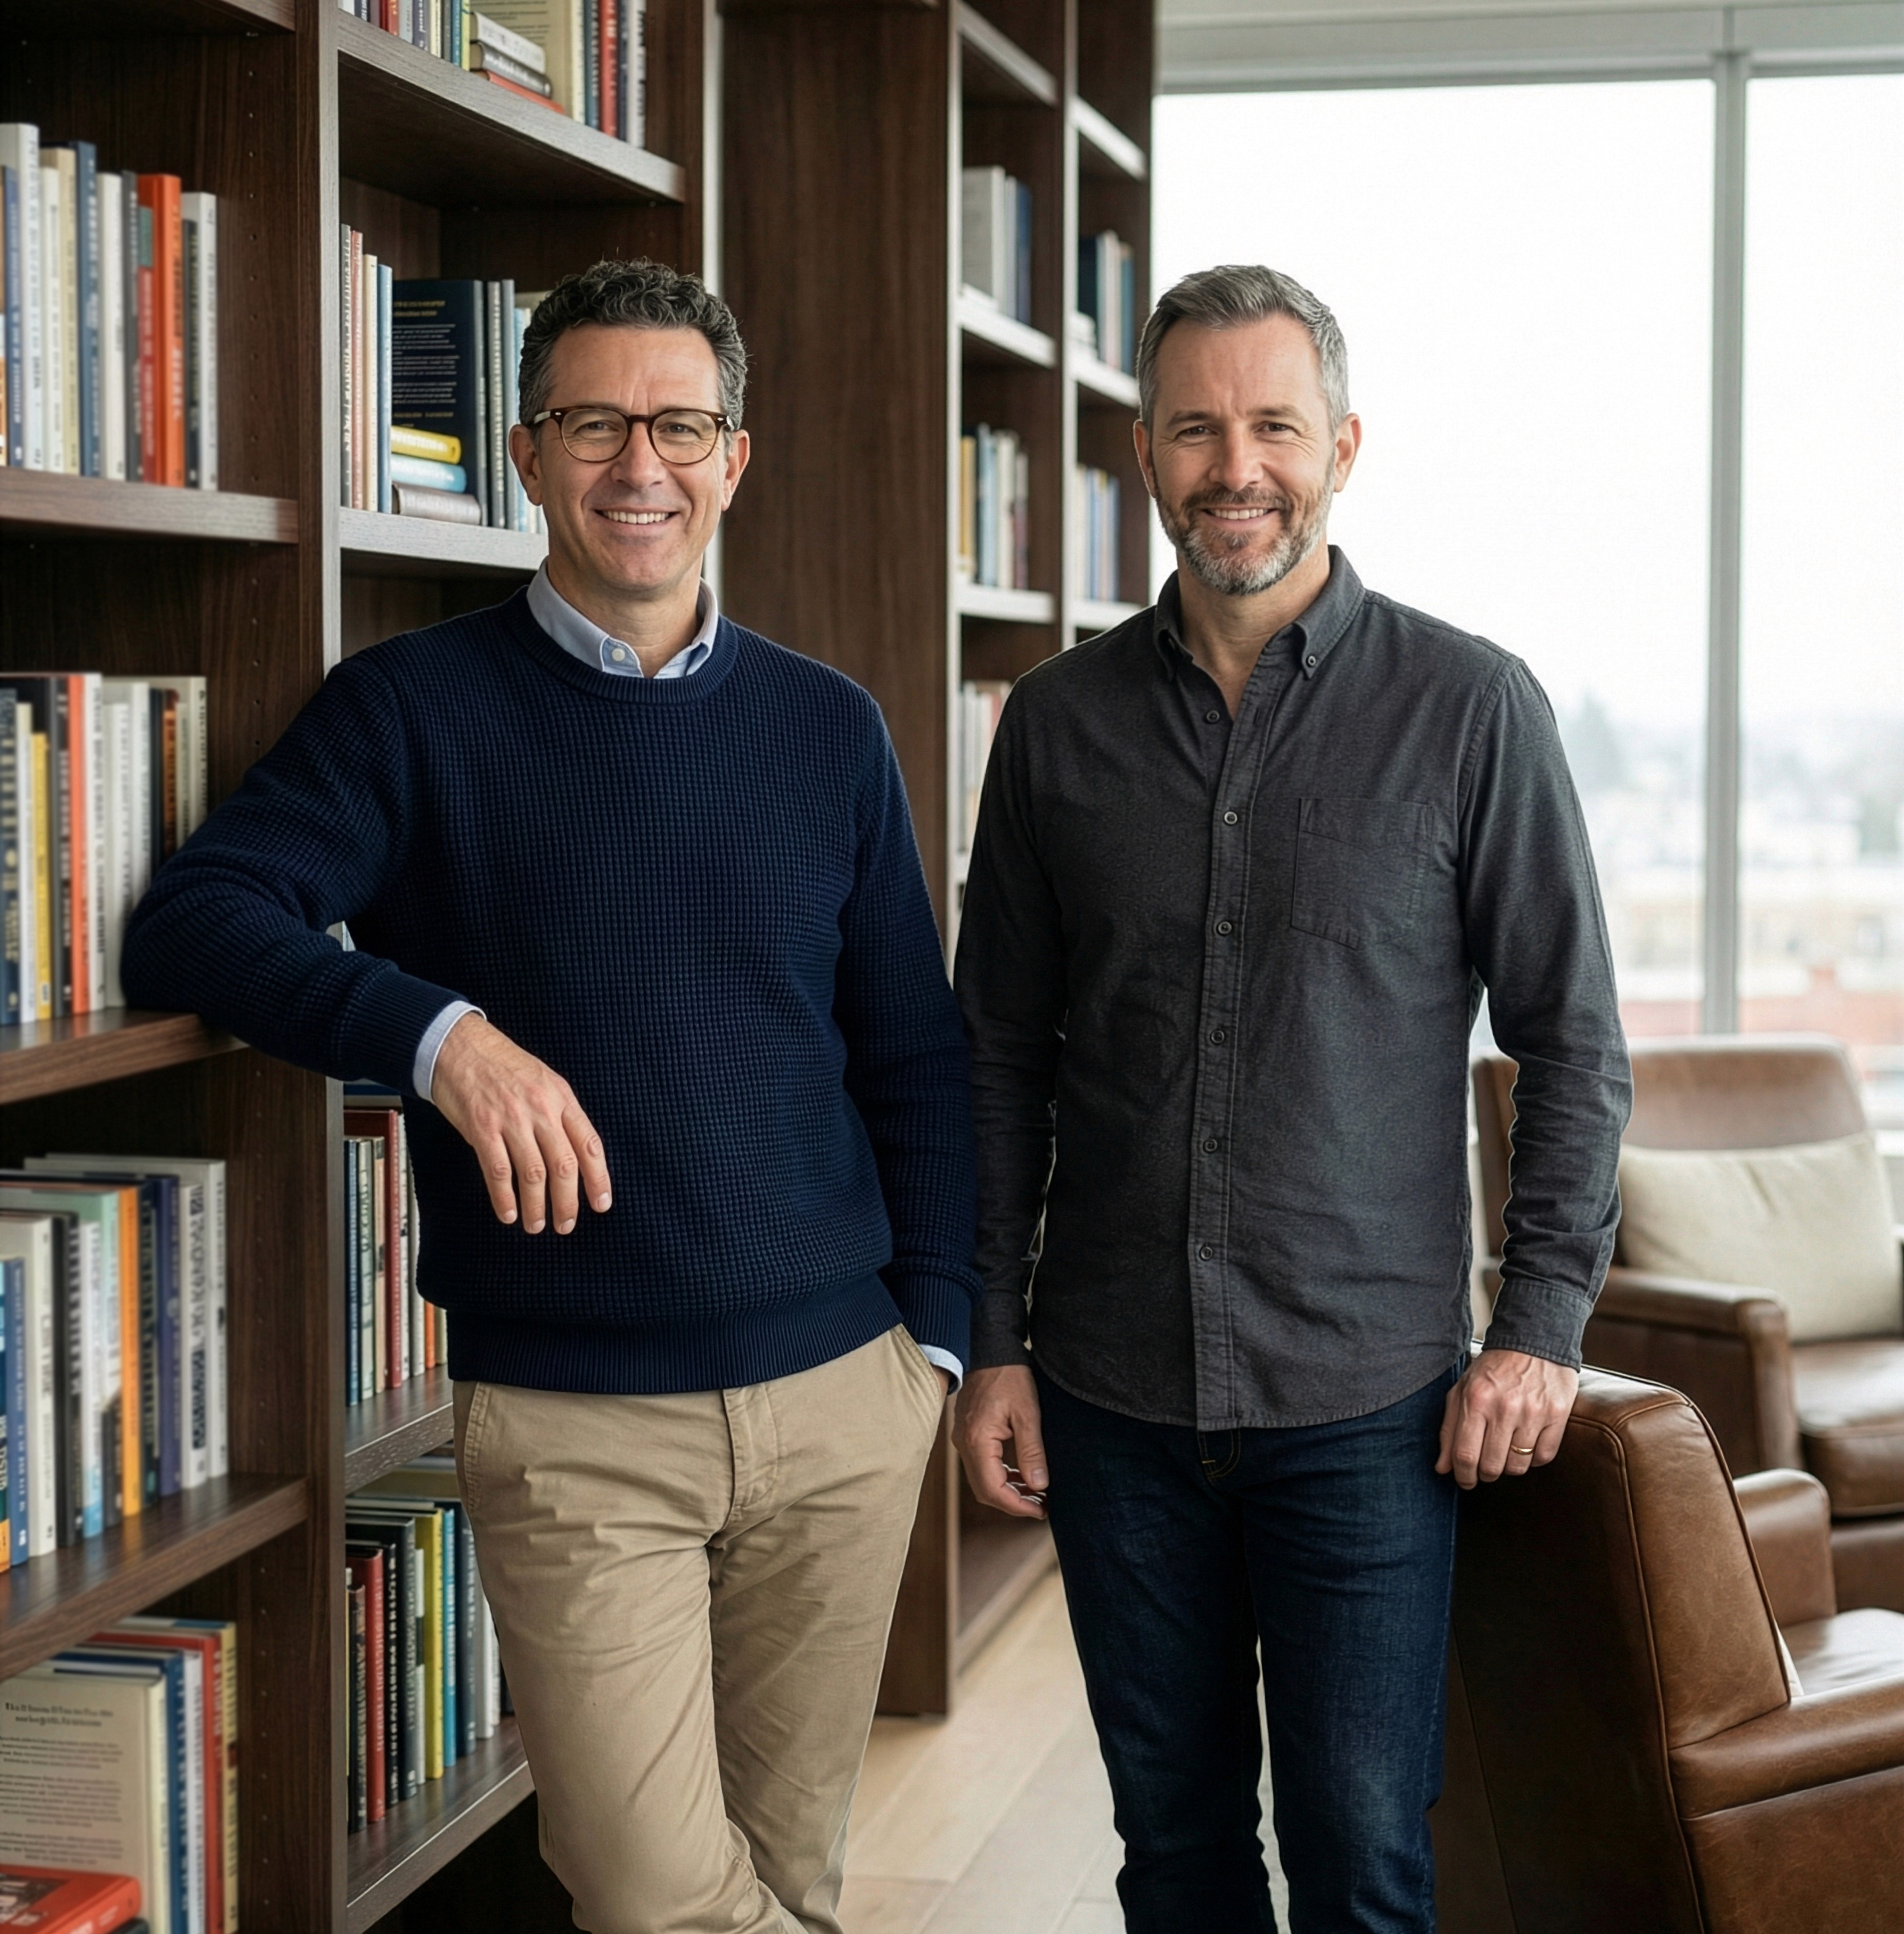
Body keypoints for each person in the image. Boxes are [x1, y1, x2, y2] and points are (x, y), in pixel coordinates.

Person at [123, 258, 977, 1934]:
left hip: (843, 1405)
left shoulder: (829, 728)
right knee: (657, 1892)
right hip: (582, 1428)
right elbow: (197, 919)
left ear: (737, 457)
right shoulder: (411, 711)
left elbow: (916, 1057)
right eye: (594, 422)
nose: (636, 465)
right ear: (524, 452)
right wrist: (437, 1033)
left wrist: (931, 1348)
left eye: (678, 425)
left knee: (790, 1871)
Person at [951, 264, 1631, 1933]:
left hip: (1368, 1408)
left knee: (1360, 1863)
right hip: (1111, 1397)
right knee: (1174, 1854)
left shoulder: (1473, 709)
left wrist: (1539, 1322)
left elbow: (1572, 1041)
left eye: (1270, 424)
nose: (1233, 463)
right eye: (1195, 426)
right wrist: (992, 1339)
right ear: (1144, 453)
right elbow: (997, 1058)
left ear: (1342, 445)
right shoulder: (1053, 730)